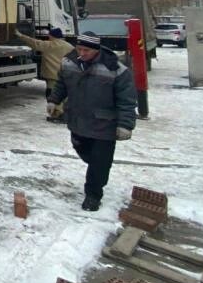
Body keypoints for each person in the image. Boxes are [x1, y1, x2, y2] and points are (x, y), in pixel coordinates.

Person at [48, 31, 137, 211]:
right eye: (79, 48)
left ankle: (93, 195)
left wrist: (125, 125)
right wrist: (54, 100)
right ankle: (98, 169)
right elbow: (62, 84)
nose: (82, 53)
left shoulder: (116, 69)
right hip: (78, 120)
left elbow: (127, 100)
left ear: (96, 49)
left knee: (99, 162)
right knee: (81, 148)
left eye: (86, 50)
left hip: (104, 124)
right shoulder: (69, 62)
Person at [15, 27, 74, 122]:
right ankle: (67, 113)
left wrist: (20, 35)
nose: (48, 36)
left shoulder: (48, 45)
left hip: (52, 76)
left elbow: (33, 42)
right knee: (65, 94)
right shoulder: (69, 46)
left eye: (49, 35)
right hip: (66, 74)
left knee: (53, 94)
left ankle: (58, 114)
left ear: (52, 36)